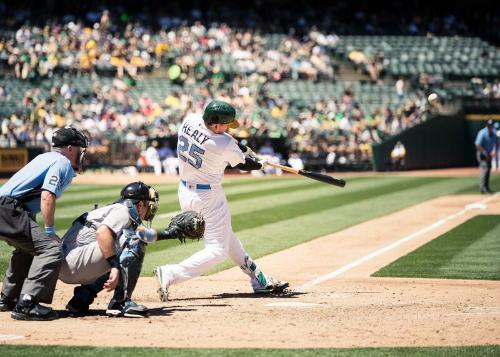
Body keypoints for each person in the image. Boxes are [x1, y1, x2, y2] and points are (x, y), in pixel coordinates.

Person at [154, 100, 288, 302]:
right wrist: (261, 162)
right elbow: (246, 164)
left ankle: (259, 280)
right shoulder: (222, 144)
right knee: (217, 250)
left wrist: (240, 146)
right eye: (225, 124)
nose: (227, 128)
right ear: (215, 124)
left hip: (185, 190)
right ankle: (171, 273)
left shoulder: (190, 120)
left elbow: (224, 138)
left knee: (227, 238)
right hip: (208, 197)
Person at [60, 182, 204, 318]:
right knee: (131, 242)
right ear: (140, 204)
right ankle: (120, 302)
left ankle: (81, 298)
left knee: (121, 247)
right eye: (148, 203)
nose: (151, 207)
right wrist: (114, 267)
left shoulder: (120, 209)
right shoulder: (122, 210)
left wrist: (170, 233)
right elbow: (103, 233)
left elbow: (143, 234)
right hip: (74, 262)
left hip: (66, 264)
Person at [0, 127, 89, 321]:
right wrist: (49, 231)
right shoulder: (62, 162)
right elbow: (47, 196)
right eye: (81, 149)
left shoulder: (44, 157)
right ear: (71, 148)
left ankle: (8, 298)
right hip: (9, 210)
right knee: (51, 250)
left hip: (7, 208)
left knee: (27, 249)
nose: (82, 154)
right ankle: (27, 303)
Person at [475, 120, 498, 194]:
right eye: (489, 126)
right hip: (482, 154)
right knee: (484, 170)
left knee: (488, 170)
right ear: (486, 126)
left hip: (489, 154)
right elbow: (478, 145)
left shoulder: (494, 133)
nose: (490, 127)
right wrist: (485, 153)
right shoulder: (482, 133)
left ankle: (486, 187)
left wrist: (494, 150)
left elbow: (497, 143)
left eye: (491, 126)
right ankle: (482, 188)